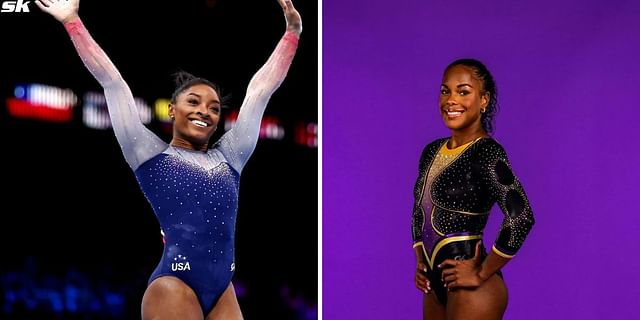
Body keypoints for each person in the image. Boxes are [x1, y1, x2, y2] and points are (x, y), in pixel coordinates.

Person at [36, 0, 302, 318]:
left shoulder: (232, 156)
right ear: (172, 110)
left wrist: (292, 34)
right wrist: (73, 22)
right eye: (194, 101)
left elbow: (259, 90)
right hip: (174, 285)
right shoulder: (148, 154)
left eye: (214, 107)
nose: (205, 110)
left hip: (223, 289)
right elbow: (112, 83)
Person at [411, 59, 535, 320]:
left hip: (472, 287)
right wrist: (422, 261)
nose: (451, 100)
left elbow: (521, 216)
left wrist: (481, 272)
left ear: (483, 100)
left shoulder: (486, 151)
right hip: (435, 284)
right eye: (445, 91)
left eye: (463, 91)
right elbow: (419, 211)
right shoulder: (431, 151)